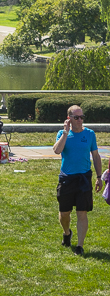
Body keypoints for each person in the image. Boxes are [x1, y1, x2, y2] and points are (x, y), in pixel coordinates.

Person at [53, 105, 103, 256]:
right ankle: (67, 233)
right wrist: (65, 133)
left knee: (82, 213)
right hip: (67, 178)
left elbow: (95, 156)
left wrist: (99, 177)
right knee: (64, 213)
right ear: (69, 119)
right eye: (76, 117)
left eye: (82, 117)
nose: (80, 120)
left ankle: (80, 246)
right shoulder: (62, 134)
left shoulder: (89, 134)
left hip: (84, 178)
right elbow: (57, 150)